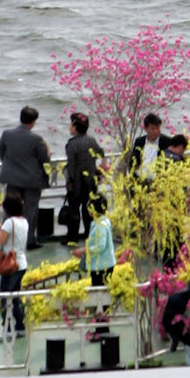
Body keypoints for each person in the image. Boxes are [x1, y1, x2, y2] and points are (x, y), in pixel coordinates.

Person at [0, 105, 51, 247]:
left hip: (12, 178)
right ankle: (28, 240)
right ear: (33, 122)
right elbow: (44, 159)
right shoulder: (36, 139)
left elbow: (1, 151)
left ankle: (5, 239)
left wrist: (10, 164)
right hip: (32, 180)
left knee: (10, 209)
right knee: (30, 211)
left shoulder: (7, 134)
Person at [62, 112, 105, 240]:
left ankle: (72, 239)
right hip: (90, 181)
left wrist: (70, 181)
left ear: (75, 127)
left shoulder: (71, 144)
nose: (69, 127)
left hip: (76, 182)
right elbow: (101, 153)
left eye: (71, 124)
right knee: (88, 210)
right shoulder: (91, 140)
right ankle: (88, 235)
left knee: (74, 210)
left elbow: (71, 165)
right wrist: (99, 168)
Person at [0, 190, 29, 330]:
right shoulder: (24, 221)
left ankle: (7, 326)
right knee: (15, 296)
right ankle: (20, 324)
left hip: (10, 265)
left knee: (5, 297)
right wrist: (1, 228)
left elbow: (1, 239)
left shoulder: (9, 222)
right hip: (21, 263)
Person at [83, 198, 115, 287]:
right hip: (102, 264)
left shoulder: (100, 225)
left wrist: (86, 250)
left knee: (100, 290)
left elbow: (101, 246)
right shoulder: (99, 222)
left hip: (101, 266)